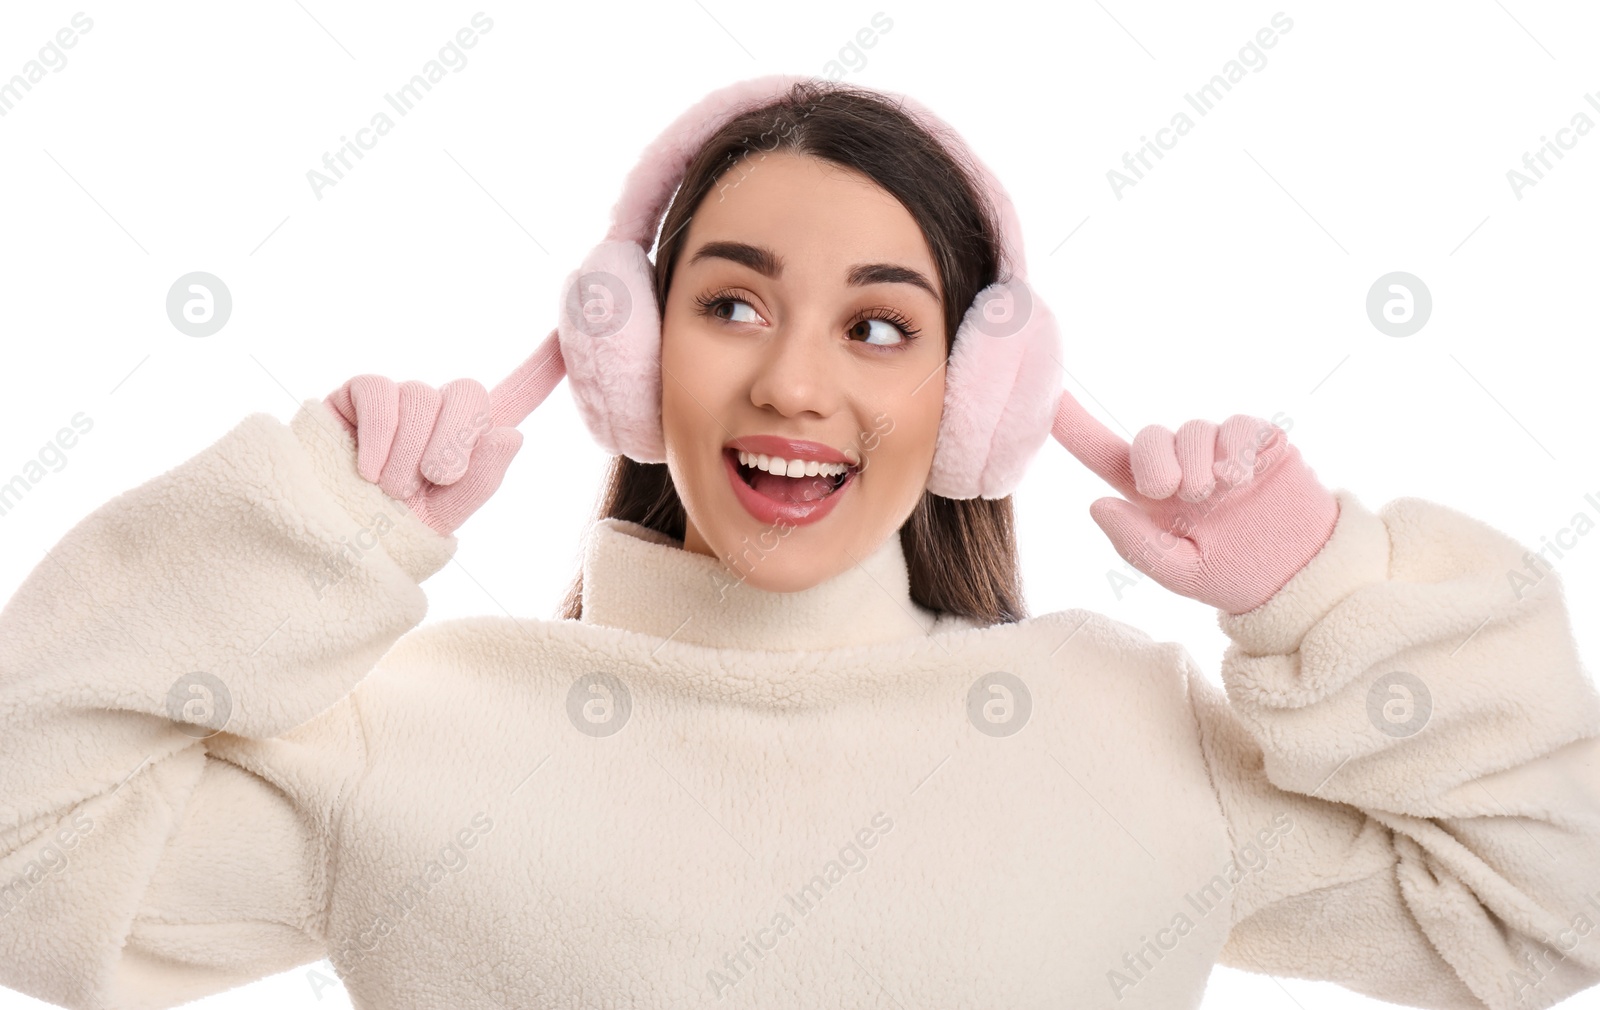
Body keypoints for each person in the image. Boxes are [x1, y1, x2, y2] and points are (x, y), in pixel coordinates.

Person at [2, 74, 1598, 1010]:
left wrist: (1322, 587)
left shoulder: (1131, 738)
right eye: (732, 304)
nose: (792, 382)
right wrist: (309, 532)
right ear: (628, 357)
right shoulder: (406, 732)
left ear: (980, 397)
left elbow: (1554, 902)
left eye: (880, 327)